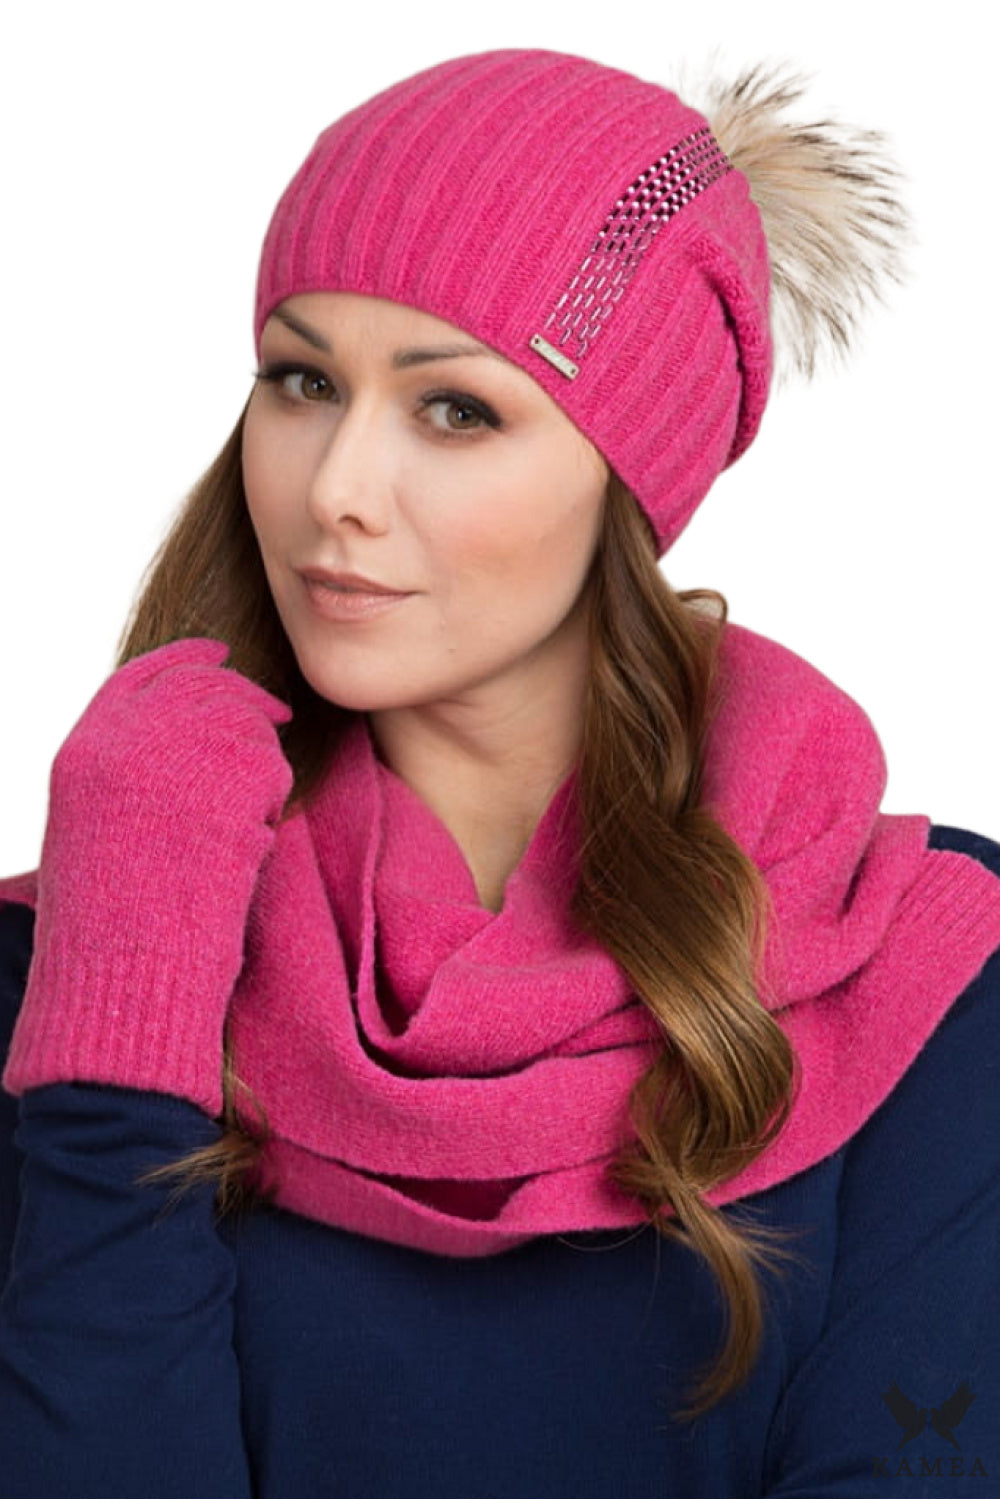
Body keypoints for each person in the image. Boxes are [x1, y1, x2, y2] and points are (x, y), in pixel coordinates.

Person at [1, 46, 998, 1500]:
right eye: (301, 382)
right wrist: (119, 1026)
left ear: (631, 471)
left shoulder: (923, 977)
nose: (335, 488)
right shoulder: (73, 948)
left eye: (455, 410)